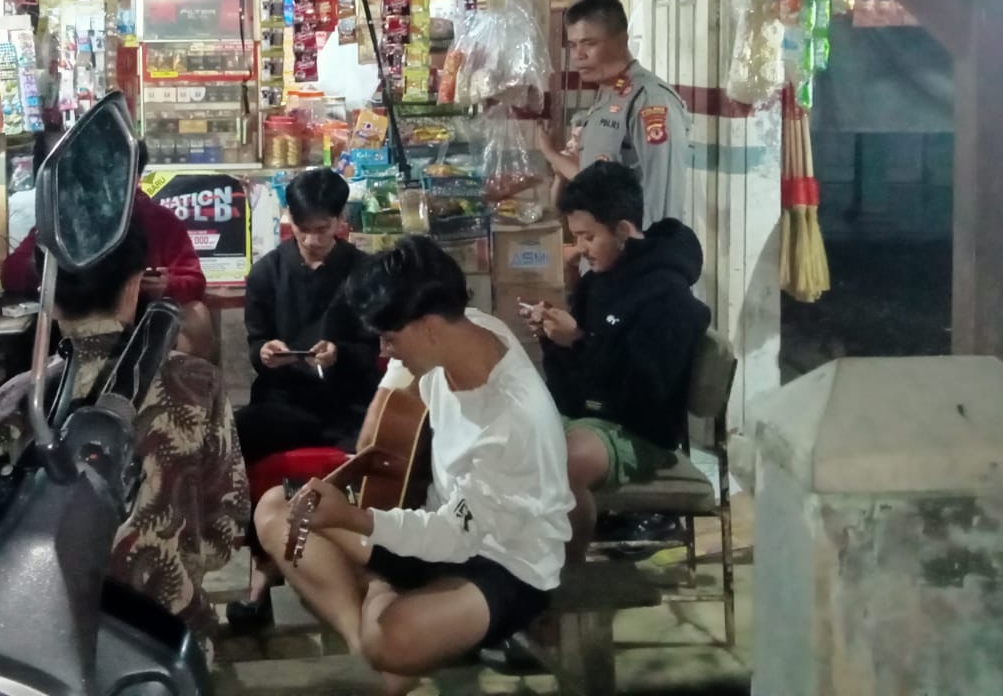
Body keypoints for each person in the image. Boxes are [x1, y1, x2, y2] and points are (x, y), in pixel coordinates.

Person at [254, 237, 572, 696]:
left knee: (393, 636)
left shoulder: (512, 421)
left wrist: (353, 519)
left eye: (390, 338)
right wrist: (369, 442)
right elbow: (395, 384)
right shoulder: (466, 326)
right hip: (435, 524)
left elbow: (455, 536)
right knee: (274, 508)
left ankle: (379, 611)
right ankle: (368, 635)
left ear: (429, 327)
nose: (384, 351)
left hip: (504, 558)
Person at [0, 216, 249, 659]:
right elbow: (227, 529)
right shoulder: (197, 385)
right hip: (167, 645)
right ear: (133, 288)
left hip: (35, 648)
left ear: (47, 297)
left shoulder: (8, 405)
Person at [532, 161, 710, 558]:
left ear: (624, 231)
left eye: (588, 237)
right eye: (576, 237)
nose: (580, 248)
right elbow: (570, 386)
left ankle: (564, 575)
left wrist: (577, 341)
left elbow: (640, 399)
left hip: (638, 432)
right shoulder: (598, 280)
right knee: (509, 434)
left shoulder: (668, 298)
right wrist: (554, 340)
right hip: (590, 412)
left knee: (562, 462)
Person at [228, 167, 376, 629]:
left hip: (347, 403)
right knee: (236, 434)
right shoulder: (267, 273)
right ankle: (260, 572)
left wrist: (340, 354)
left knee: (383, 447)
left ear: (340, 220)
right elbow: (256, 342)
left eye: (323, 229)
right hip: (285, 402)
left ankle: (368, 574)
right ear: (289, 220)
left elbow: (376, 349)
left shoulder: (364, 273)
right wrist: (265, 353)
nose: (313, 240)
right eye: (303, 229)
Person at [0, 140, 215, 358]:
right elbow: (12, 272)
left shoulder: (160, 221)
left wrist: (166, 285)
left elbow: (195, 281)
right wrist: (59, 278)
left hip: (142, 320)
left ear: (135, 176)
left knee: (198, 315)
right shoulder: (65, 219)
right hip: (72, 323)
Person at [537, 0, 692, 229]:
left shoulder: (650, 100)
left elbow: (663, 202)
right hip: (601, 244)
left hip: (635, 247)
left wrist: (649, 250)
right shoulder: (608, 93)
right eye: (573, 45)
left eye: (589, 43)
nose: (578, 55)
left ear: (621, 41)